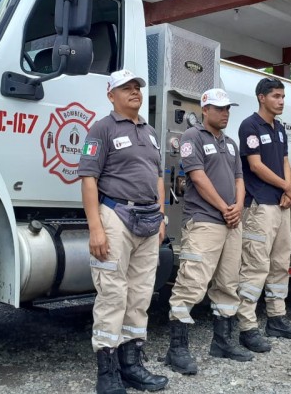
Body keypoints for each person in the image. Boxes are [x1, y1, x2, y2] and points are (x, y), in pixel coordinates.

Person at [79, 69, 169, 394]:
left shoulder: (151, 132)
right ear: (111, 95)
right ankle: (107, 373)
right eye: (125, 88)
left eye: (137, 87)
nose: (134, 91)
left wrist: (161, 216)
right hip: (115, 214)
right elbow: (88, 178)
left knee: (141, 295)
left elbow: (159, 176)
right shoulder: (101, 129)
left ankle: (132, 366)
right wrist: (95, 228)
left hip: (148, 218)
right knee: (113, 294)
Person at [163, 88, 253, 374]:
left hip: (232, 222)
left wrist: (237, 206)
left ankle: (223, 342)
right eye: (220, 108)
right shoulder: (193, 137)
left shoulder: (231, 143)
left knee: (228, 283)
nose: (225, 113)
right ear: (205, 110)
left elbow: (240, 178)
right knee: (192, 282)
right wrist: (224, 207)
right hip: (204, 220)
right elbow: (197, 177)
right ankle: (176, 350)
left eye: (228, 108)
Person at [235, 77, 291, 353]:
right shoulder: (250, 126)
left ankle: (276, 318)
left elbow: (285, 162)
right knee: (256, 266)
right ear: (261, 97)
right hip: (260, 205)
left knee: (280, 263)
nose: (281, 101)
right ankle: (247, 326)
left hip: (280, 204)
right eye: (276, 96)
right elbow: (255, 166)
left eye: (282, 96)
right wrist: (287, 186)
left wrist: (289, 192)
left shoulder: (279, 129)